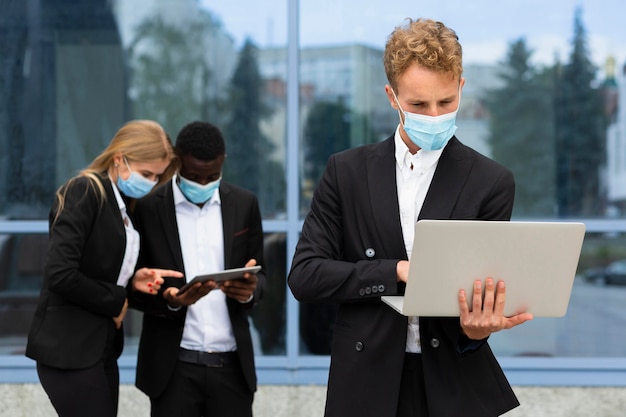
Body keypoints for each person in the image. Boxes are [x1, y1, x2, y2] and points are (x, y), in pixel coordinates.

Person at [288, 18, 534, 417]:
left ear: (461, 87)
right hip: (366, 381)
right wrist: (397, 271)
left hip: (452, 385)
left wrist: (477, 328)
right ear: (392, 97)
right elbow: (306, 275)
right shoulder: (346, 172)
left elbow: (474, 301)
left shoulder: (492, 181)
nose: (435, 115)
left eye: (447, 102)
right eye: (419, 105)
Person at [25, 119, 182, 417]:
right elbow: (60, 274)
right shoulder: (84, 191)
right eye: (146, 173)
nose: (150, 182)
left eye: (157, 176)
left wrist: (133, 281)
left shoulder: (123, 202)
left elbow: (100, 271)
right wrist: (117, 300)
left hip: (100, 348)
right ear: (119, 158)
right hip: (68, 350)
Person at [130, 120, 266, 417]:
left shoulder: (244, 204)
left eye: (212, 176)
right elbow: (133, 286)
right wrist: (170, 300)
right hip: (172, 370)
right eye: (194, 177)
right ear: (177, 162)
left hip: (232, 369)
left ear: (223, 163)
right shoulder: (149, 207)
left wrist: (247, 293)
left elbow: (263, 275)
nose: (203, 184)